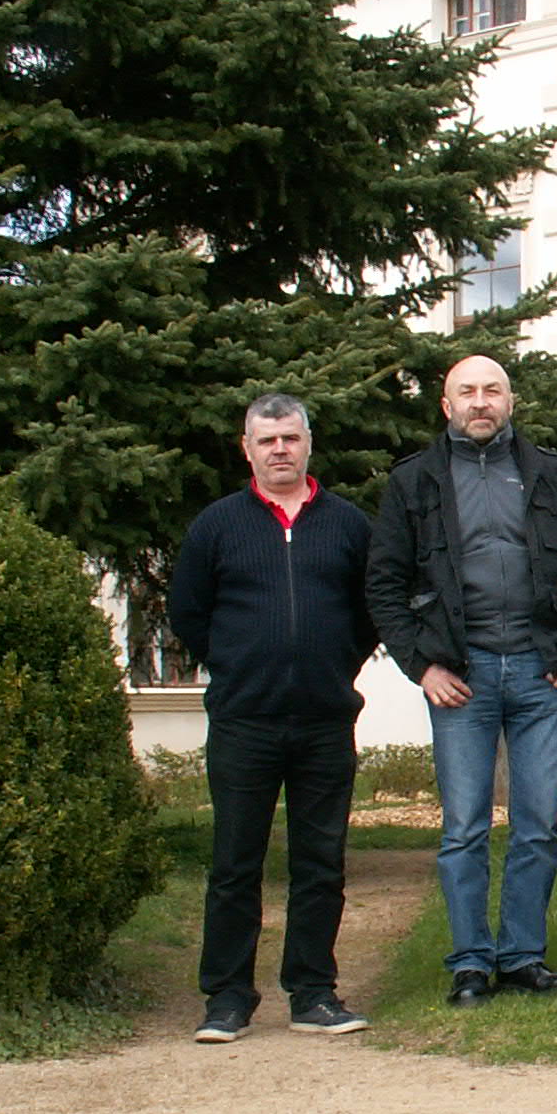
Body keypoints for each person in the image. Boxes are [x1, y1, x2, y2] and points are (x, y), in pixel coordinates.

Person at [368, 354, 557, 1007]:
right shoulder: (415, 481)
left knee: (538, 826)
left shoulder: (548, 474)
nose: (480, 402)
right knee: (464, 829)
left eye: (492, 390)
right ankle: (471, 963)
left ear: (510, 401)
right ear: (447, 406)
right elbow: (384, 584)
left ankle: (523, 956)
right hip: (460, 674)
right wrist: (422, 666)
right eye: (467, 392)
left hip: (540, 673)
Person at [169, 393, 378, 1043]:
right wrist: (237, 664)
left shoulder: (348, 525)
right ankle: (227, 998)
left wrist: (333, 665)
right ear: (248, 448)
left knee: (321, 862)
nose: (279, 450)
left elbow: (370, 611)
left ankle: (313, 993)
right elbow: (187, 611)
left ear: (308, 443)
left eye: (290, 438)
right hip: (244, 721)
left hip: (324, 721)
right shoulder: (217, 525)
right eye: (267, 440)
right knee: (236, 863)